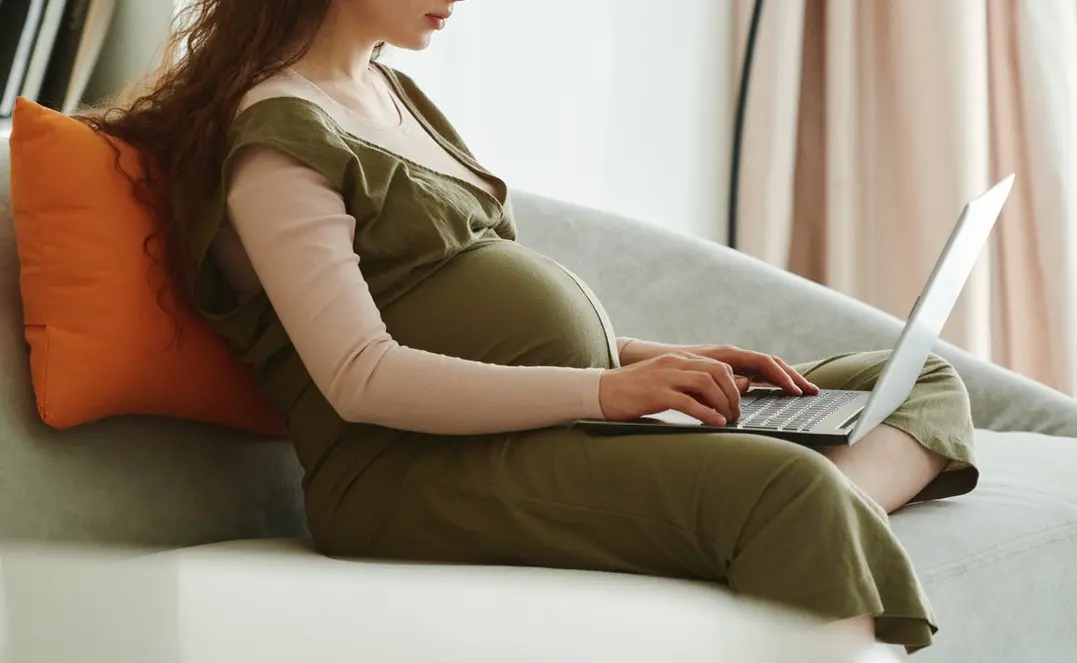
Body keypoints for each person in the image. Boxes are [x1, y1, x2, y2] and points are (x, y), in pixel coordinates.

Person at [84, 0, 979, 653]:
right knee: (791, 489)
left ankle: (768, 524)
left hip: (541, 422)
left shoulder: (390, 92)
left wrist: (656, 360)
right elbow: (361, 374)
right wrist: (608, 390)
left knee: (916, 381)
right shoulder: (279, 138)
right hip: (408, 473)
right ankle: (783, 518)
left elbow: (473, 314)